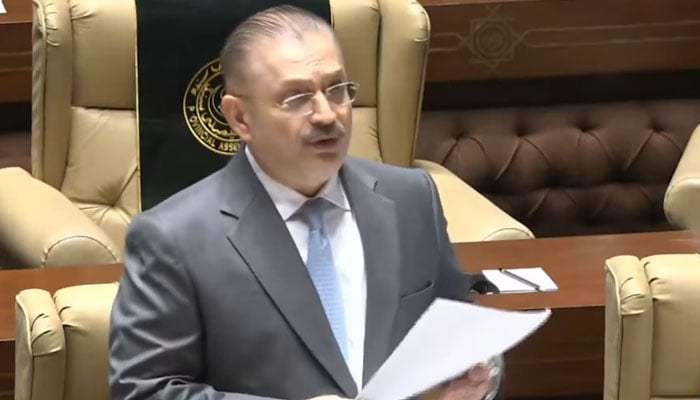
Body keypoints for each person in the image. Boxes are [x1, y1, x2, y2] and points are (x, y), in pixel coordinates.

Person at [109, 5, 501, 400]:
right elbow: (146, 391)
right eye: (296, 98)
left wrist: (479, 373)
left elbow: (459, 328)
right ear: (240, 117)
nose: (327, 115)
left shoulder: (411, 198)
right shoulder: (172, 238)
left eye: (337, 89)